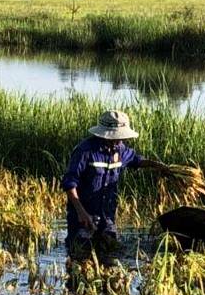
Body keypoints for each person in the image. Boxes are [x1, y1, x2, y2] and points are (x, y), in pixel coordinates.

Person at [61, 110, 169, 261]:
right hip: (83, 217)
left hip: (107, 216)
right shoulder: (85, 151)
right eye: (117, 138)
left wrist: (158, 166)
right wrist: (81, 212)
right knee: (79, 257)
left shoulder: (121, 149)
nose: (119, 141)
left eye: (121, 138)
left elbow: (136, 160)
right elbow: (69, 183)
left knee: (110, 256)